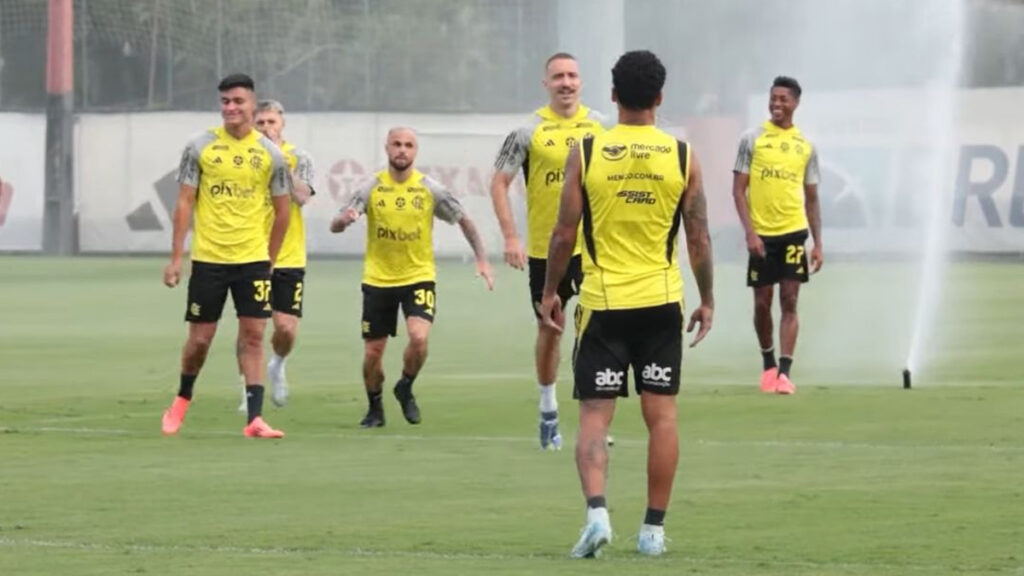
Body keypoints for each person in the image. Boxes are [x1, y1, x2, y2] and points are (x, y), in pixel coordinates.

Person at [539, 50, 714, 558]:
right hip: (662, 302)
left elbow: (563, 232)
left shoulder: (587, 152)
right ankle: (653, 531)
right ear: (660, 97)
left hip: (603, 303)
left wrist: (551, 293)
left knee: (595, 415)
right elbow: (699, 237)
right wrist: (708, 300)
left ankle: (597, 514)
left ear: (612, 96)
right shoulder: (682, 155)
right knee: (662, 417)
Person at [331, 127, 494, 428]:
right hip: (378, 280)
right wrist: (344, 220)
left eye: (408, 145)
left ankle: (405, 385)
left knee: (419, 338)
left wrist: (482, 258)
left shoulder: (429, 189)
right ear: (387, 148)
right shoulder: (371, 188)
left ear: (415, 151)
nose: (402, 150)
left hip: (418, 276)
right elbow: (336, 223)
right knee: (373, 353)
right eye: (397, 144)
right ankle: (375, 407)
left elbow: (464, 220)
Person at [161, 73, 292, 438]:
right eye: (225, 102)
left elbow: (283, 212)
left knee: (253, 337)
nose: (230, 108)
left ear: (253, 104)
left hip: (251, 260)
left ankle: (254, 419)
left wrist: (269, 259)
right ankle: (182, 399)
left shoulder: (270, 154)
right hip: (209, 260)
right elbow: (184, 202)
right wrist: (176, 258)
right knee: (200, 339)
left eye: (237, 101)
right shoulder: (200, 146)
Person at [491, 52, 607, 450]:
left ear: (582, 82)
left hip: (592, 250)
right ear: (546, 84)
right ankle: (548, 411)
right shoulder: (528, 132)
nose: (566, 82)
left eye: (573, 75)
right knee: (550, 329)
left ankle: (593, 422)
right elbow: (498, 184)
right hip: (546, 250)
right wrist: (511, 237)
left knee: (596, 332)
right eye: (558, 76)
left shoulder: (601, 127)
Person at [731, 76, 822, 395]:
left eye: (783, 99)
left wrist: (817, 243)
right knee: (761, 303)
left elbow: (812, 198)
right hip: (762, 237)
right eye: (773, 98)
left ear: (796, 103)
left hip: (794, 233)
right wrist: (750, 233)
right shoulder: (752, 139)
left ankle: (784, 373)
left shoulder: (805, 145)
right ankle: (767, 364)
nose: (777, 104)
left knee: (790, 299)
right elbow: (738, 191)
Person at [232, 99, 315, 411]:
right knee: (251, 327)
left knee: (285, 327)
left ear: (282, 125)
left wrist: (280, 162)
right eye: (261, 123)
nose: (266, 128)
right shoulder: (242, 157)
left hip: (289, 256)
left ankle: (277, 366)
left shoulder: (299, 157)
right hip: (250, 253)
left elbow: (303, 197)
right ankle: (247, 388)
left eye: (272, 123)